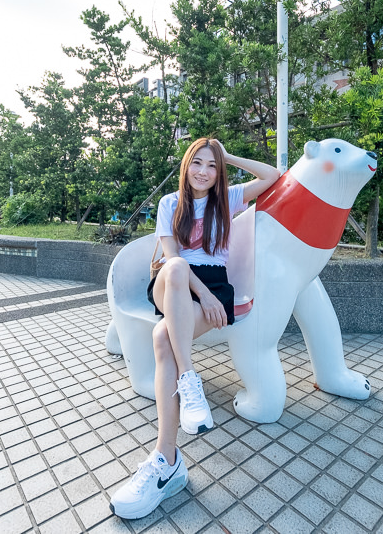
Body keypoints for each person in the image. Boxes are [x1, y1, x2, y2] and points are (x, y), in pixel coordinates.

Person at [109, 137, 280, 520]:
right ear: (186, 166)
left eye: (212, 165)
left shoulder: (230, 198)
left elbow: (272, 175)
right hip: (177, 286)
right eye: (197, 163)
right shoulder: (170, 204)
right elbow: (172, 259)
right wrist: (205, 297)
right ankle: (189, 379)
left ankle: (166, 459)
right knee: (176, 267)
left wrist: (227, 153)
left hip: (214, 284)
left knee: (160, 337)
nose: (204, 171)